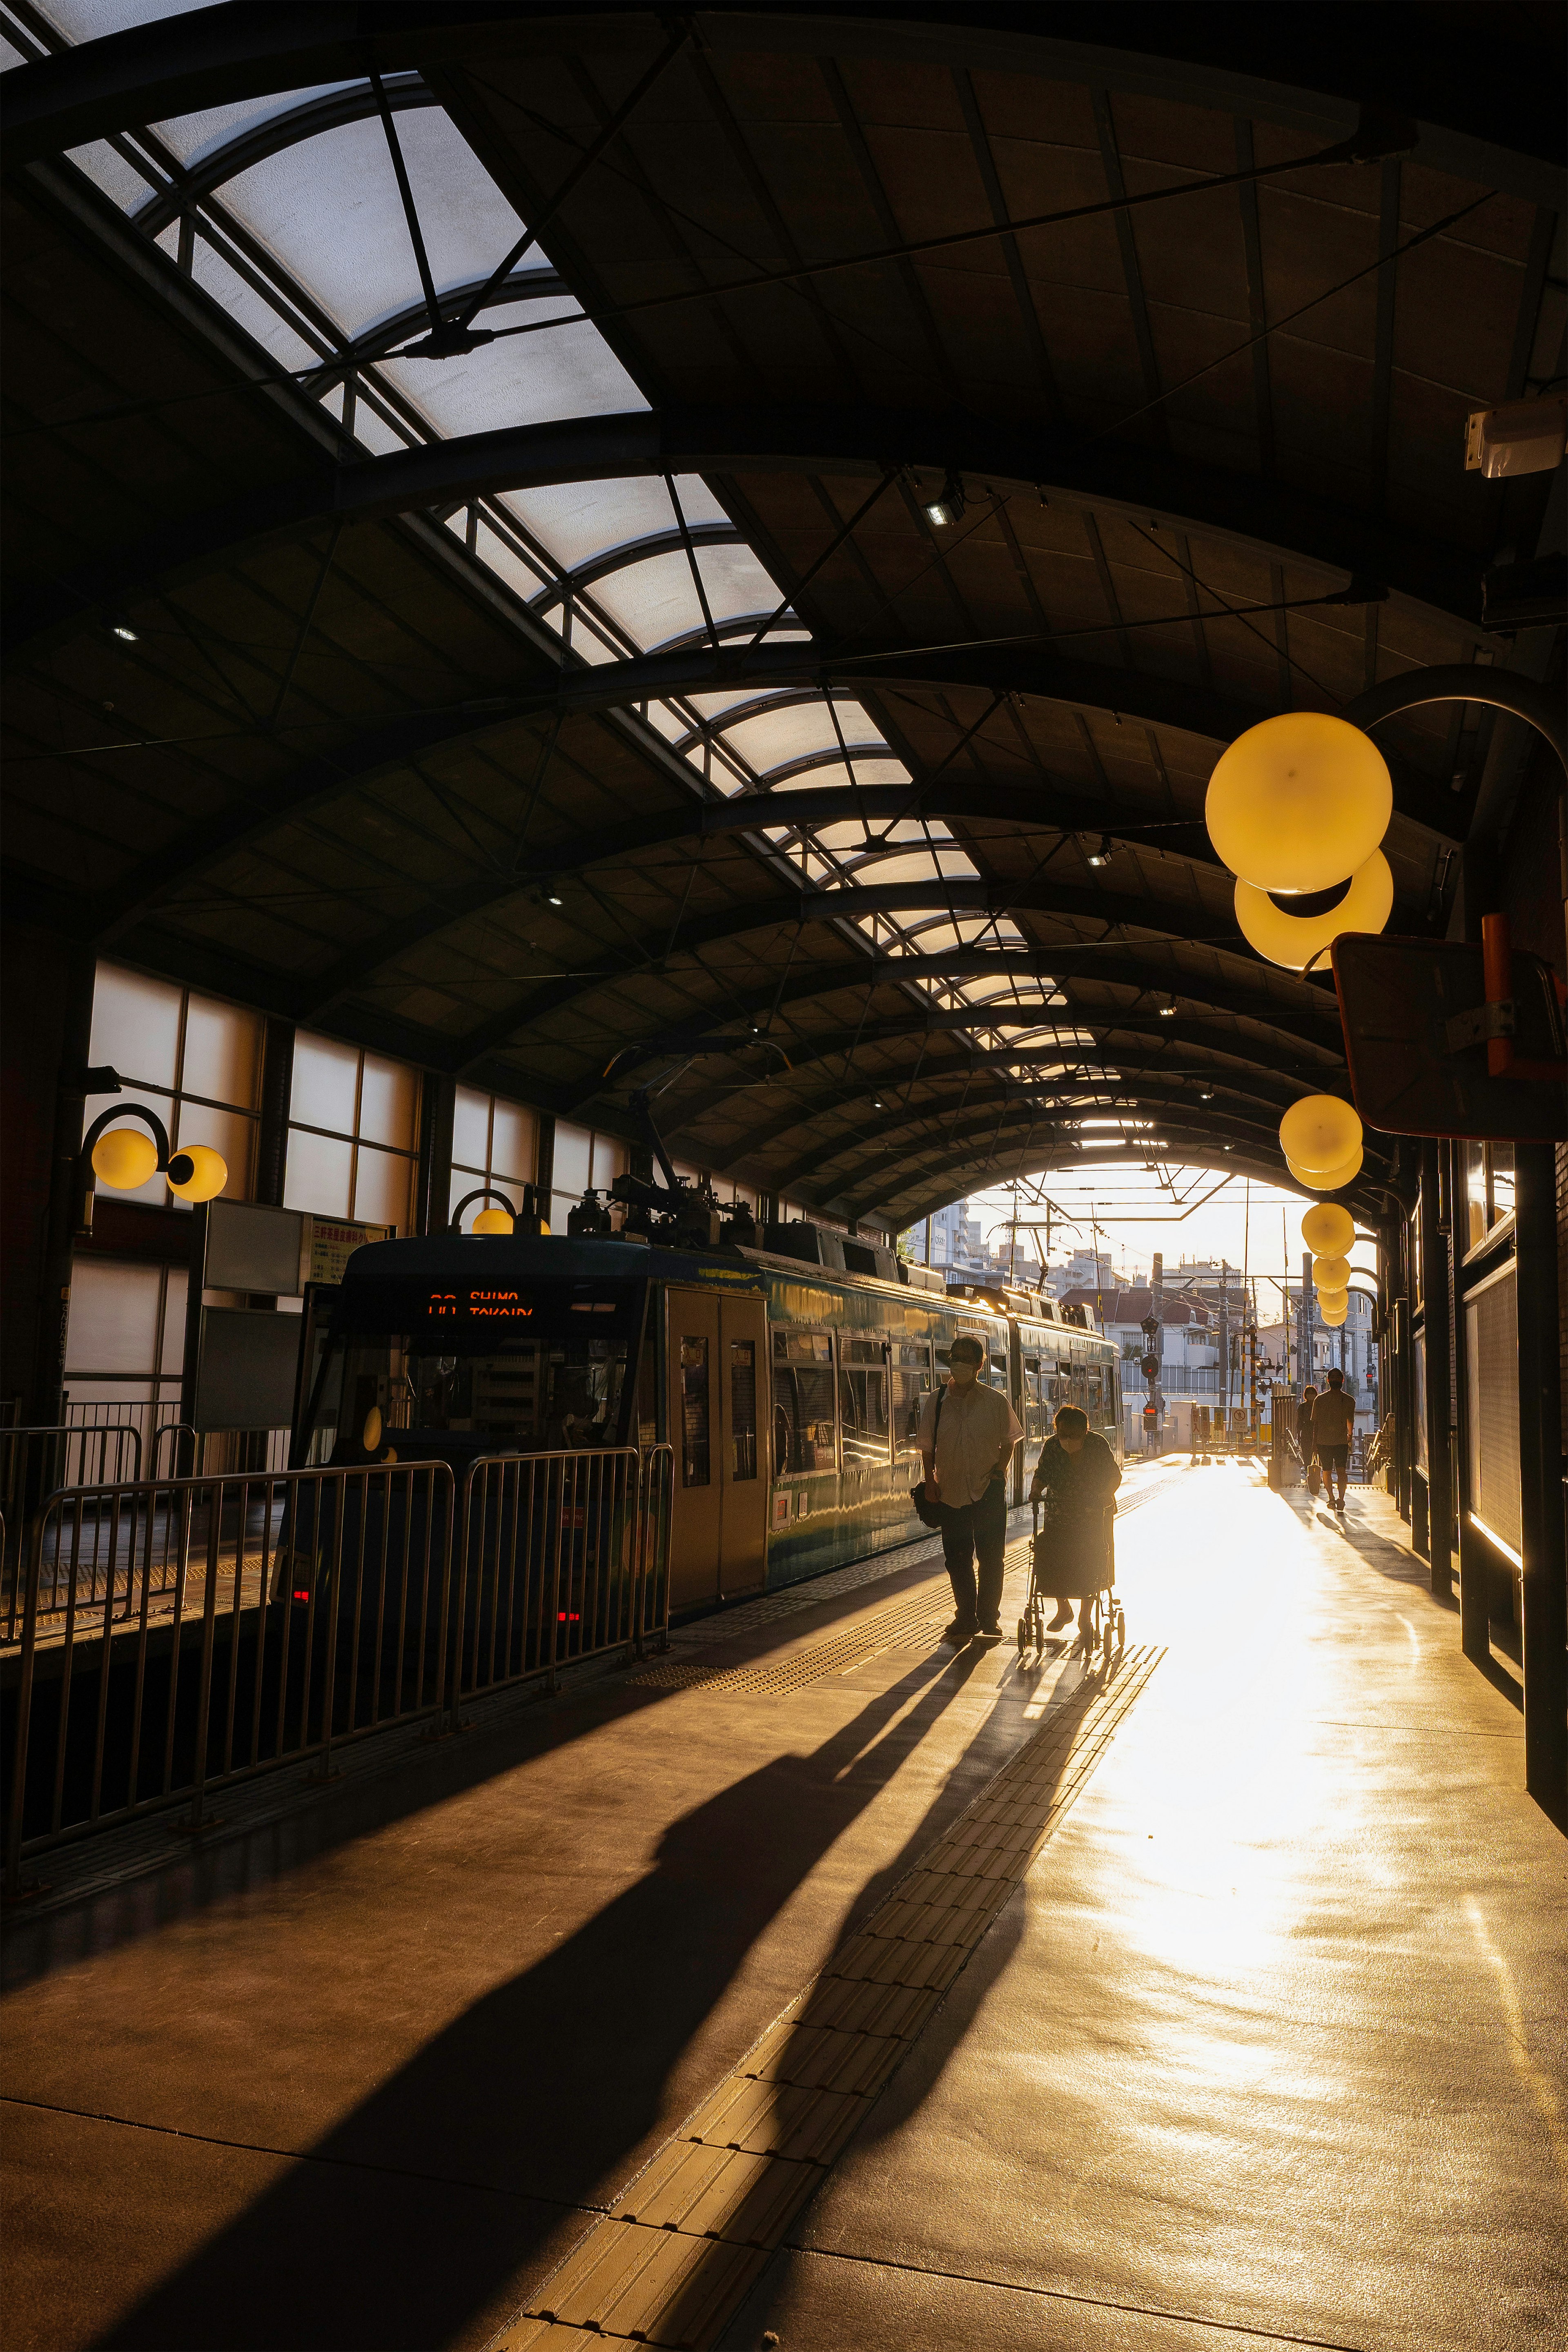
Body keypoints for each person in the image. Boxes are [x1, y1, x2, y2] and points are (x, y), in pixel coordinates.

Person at [917, 1334, 1023, 1645]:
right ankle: (966, 1617)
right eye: (955, 1357)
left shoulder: (995, 1401)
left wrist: (999, 1472)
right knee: (957, 1558)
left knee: (992, 1558)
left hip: (987, 1491)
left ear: (980, 1364)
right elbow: (926, 1446)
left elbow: (1011, 1440)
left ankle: (989, 1617)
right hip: (949, 1491)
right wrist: (930, 1481)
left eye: (967, 1359)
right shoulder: (936, 1402)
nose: (959, 1364)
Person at [1030, 1405, 1123, 1642]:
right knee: (1055, 1558)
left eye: (1073, 1435)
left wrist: (1105, 1495)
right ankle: (1064, 1609)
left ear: (1085, 1431)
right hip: (1059, 1514)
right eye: (1063, 1434)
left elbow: (1114, 1476)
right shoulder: (1052, 1446)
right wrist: (1035, 1490)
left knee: (1089, 1564)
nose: (1067, 1440)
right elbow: (1043, 1473)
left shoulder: (1098, 1445)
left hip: (1094, 1515)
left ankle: (1085, 1616)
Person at [1310, 1368, 1356, 1509]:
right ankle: (1340, 1499)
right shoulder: (1350, 1400)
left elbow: (1316, 1423)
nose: (1336, 1380)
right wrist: (1350, 1436)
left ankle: (1332, 1499)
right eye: (1334, 1377)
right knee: (1341, 1471)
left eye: (1337, 1377)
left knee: (1327, 1471)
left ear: (1328, 1381)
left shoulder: (1320, 1400)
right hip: (1341, 1441)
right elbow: (1351, 1421)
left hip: (1324, 1441)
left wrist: (1314, 1444)